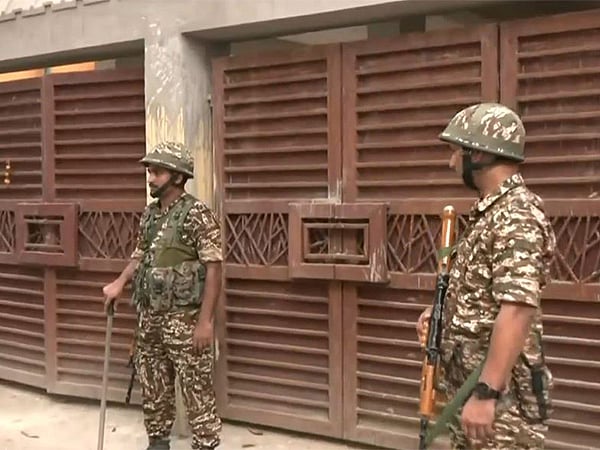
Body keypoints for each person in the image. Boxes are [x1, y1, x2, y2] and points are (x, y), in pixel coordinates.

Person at [416, 103, 556, 449]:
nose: (451, 162)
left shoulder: (517, 214)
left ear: (477, 155)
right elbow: (483, 294)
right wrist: (441, 315)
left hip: (501, 404)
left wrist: (486, 392)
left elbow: (517, 308)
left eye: (456, 152)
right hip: (470, 389)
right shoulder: (492, 212)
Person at [102, 141, 223, 450]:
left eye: (157, 172)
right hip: (150, 319)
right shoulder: (151, 214)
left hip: (185, 321)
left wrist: (206, 322)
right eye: (149, 171)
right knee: (154, 388)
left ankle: (205, 444)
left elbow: (214, 269)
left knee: (197, 392)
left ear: (178, 177)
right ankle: (158, 443)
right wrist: (120, 282)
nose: (150, 178)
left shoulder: (198, 214)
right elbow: (140, 254)